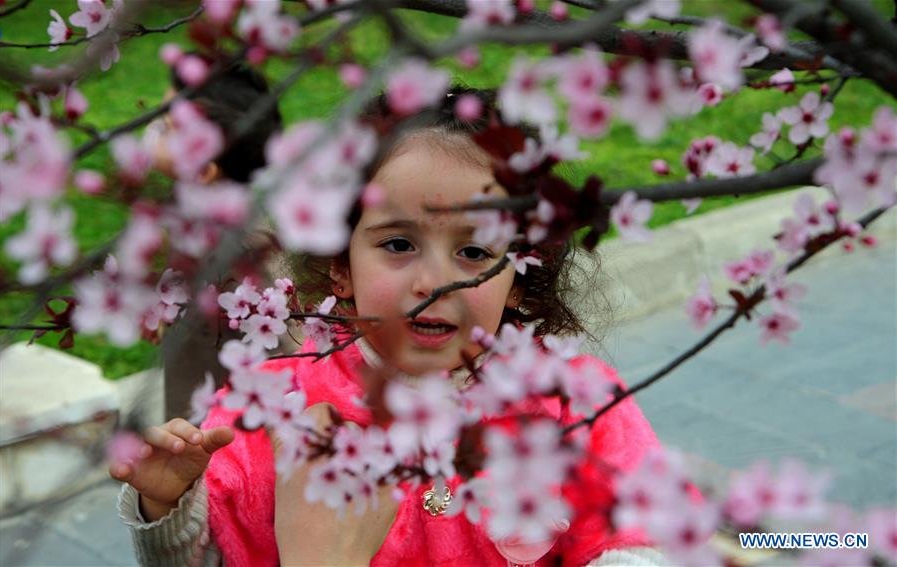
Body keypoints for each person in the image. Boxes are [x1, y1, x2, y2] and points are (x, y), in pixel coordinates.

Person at [113, 87, 670, 566]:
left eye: (474, 251)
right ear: (341, 266)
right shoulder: (272, 411)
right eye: (398, 244)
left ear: (519, 278)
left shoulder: (574, 402)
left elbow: (643, 536)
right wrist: (171, 509)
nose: (434, 282)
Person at [144, 60, 285, 422]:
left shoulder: (246, 245)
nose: (151, 129)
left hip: (231, 419)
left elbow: (286, 344)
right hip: (191, 374)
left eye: (165, 127)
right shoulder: (191, 206)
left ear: (204, 169)